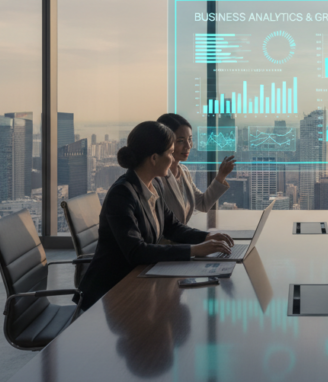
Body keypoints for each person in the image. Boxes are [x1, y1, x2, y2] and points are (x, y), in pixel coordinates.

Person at [75, 121, 236, 311]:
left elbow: (172, 226)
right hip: (111, 294)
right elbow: (136, 252)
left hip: (140, 281)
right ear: (153, 158)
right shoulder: (122, 195)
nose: (173, 158)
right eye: (170, 152)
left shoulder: (155, 184)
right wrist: (195, 250)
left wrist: (206, 237)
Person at [154, 113, 236, 226]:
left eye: (190, 139)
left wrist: (221, 176)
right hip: (167, 242)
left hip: (182, 240)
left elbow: (203, 204)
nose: (188, 146)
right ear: (165, 142)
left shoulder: (184, 172)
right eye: (181, 141)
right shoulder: (155, 178)